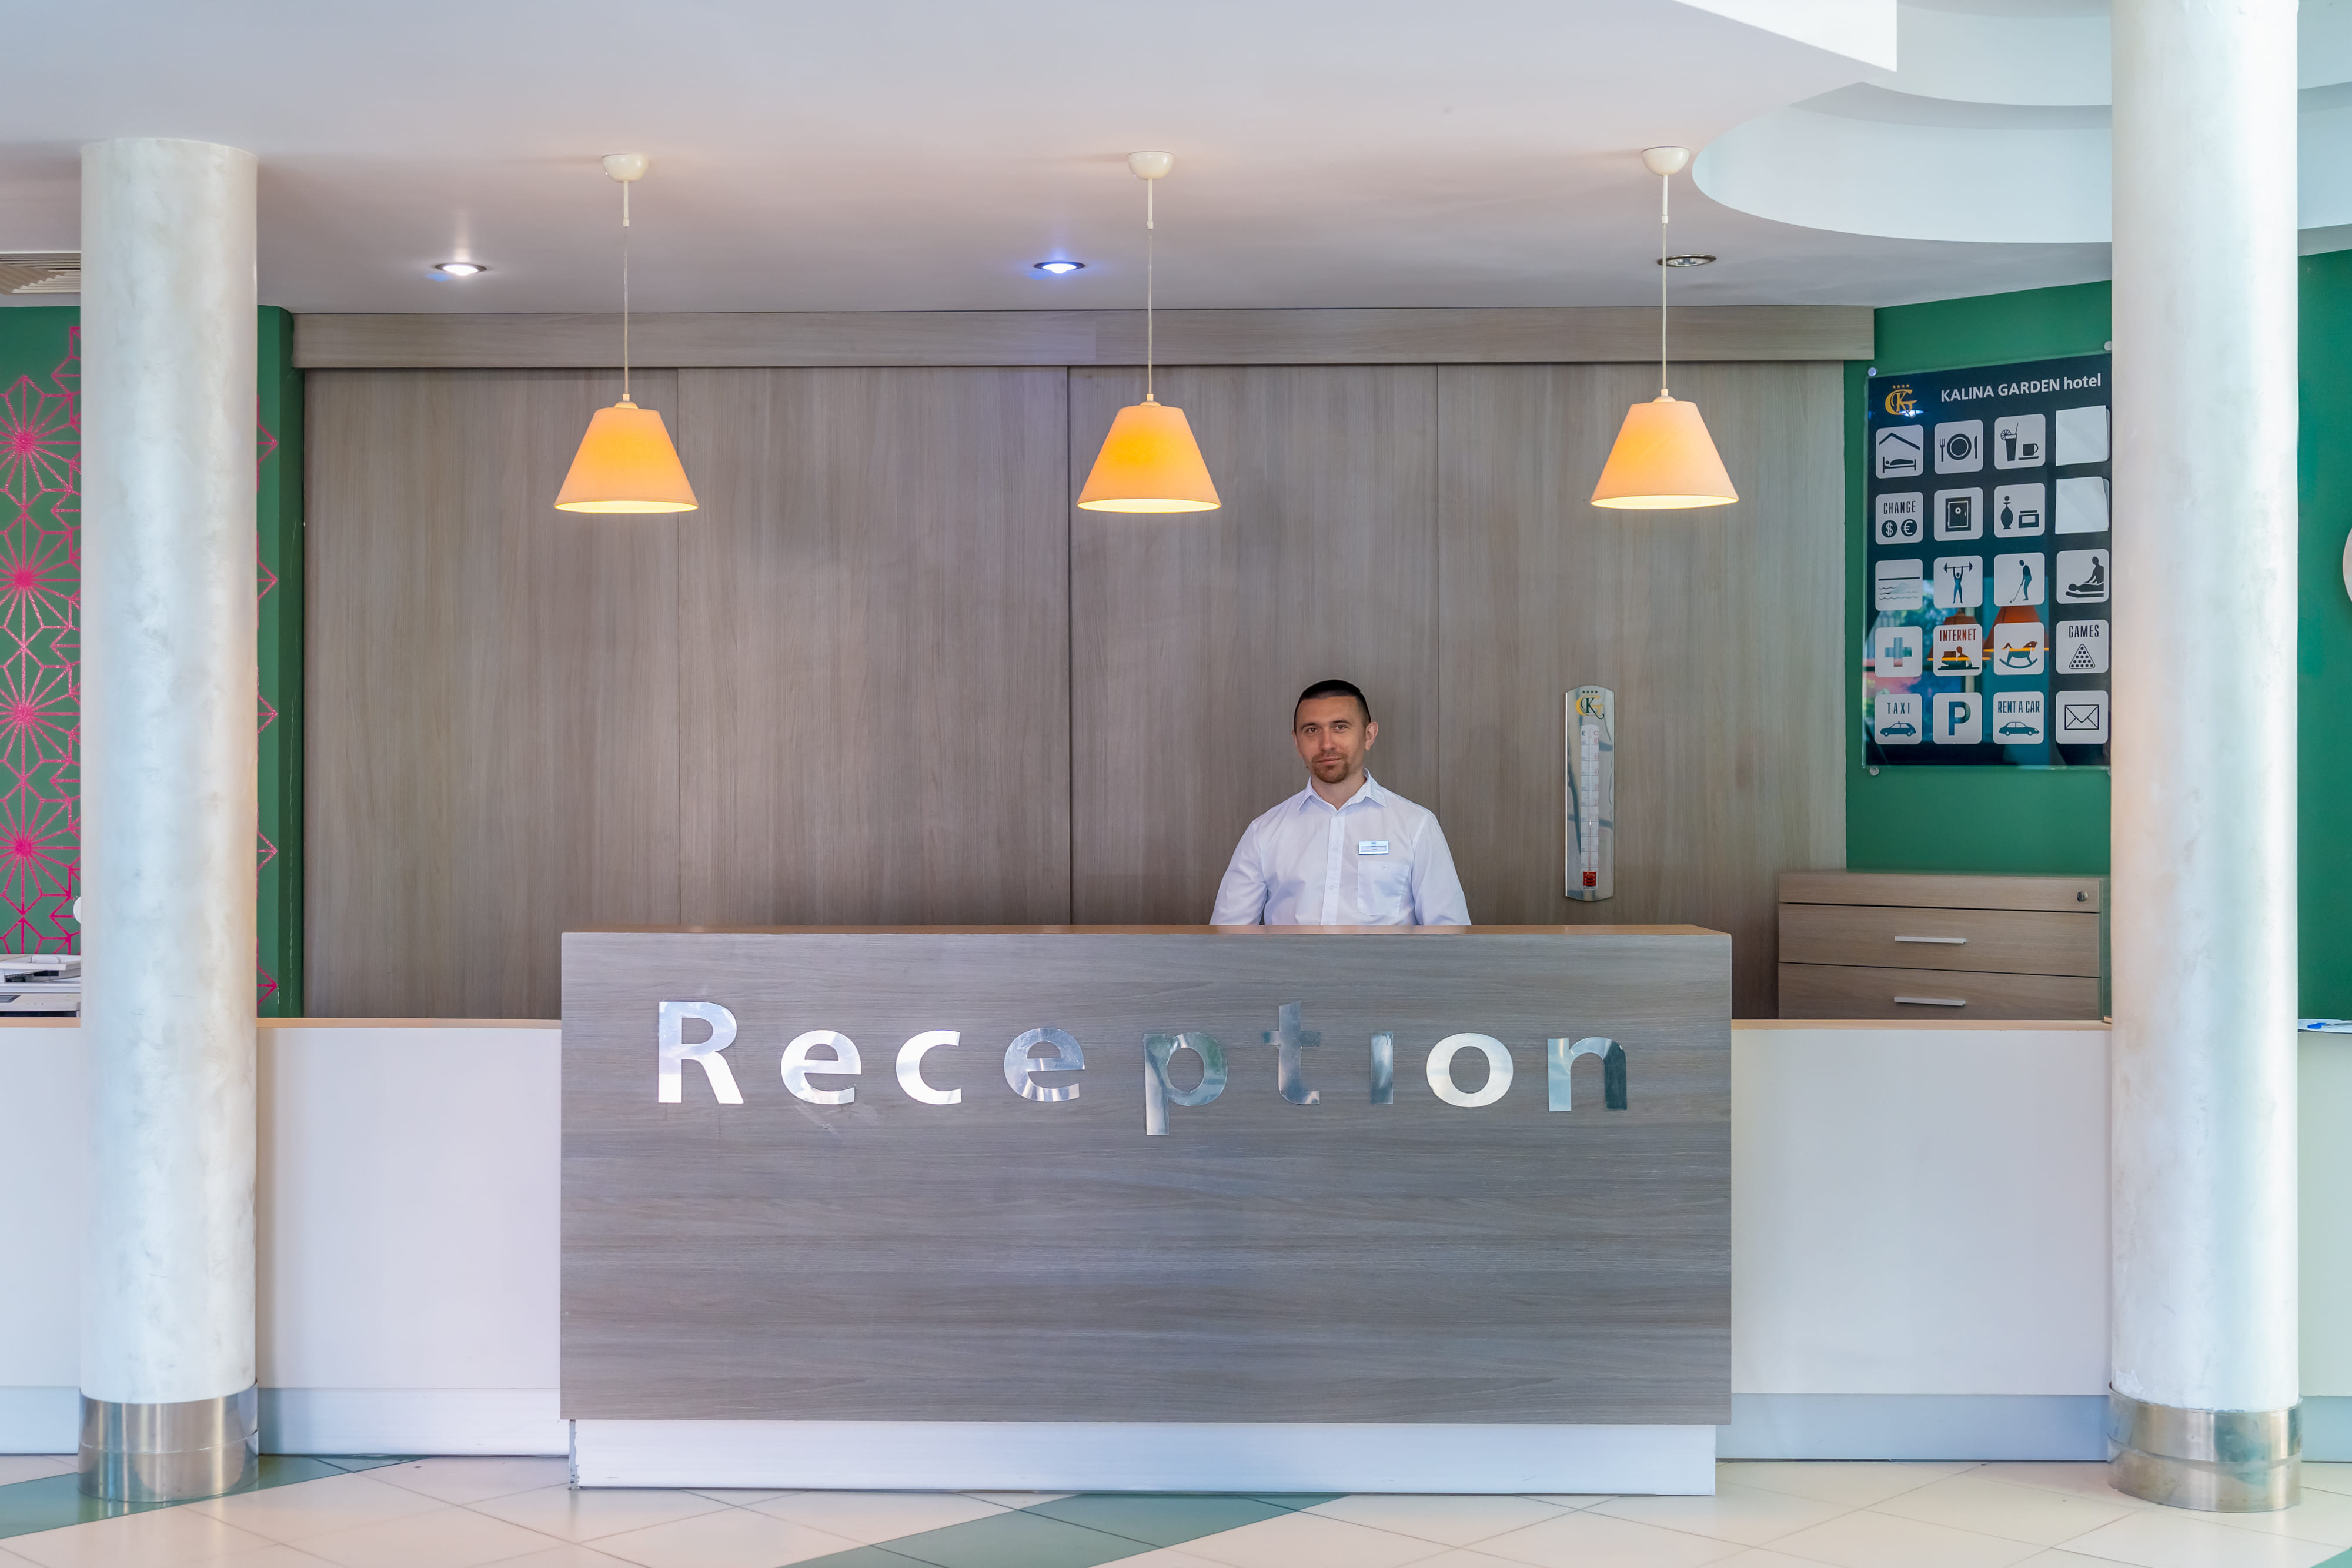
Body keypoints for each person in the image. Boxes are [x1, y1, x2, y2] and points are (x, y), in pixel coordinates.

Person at [1210, 678, 1470, 927]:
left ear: (1369, 735)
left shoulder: (1416, 825)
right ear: (1297, 742)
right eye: (1312, 730)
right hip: (1290, 962)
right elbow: (1227, 935)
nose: (1326, 744)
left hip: (1387, 963)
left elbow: (1450, 933)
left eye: (1340, 727)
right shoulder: (1263, 833)